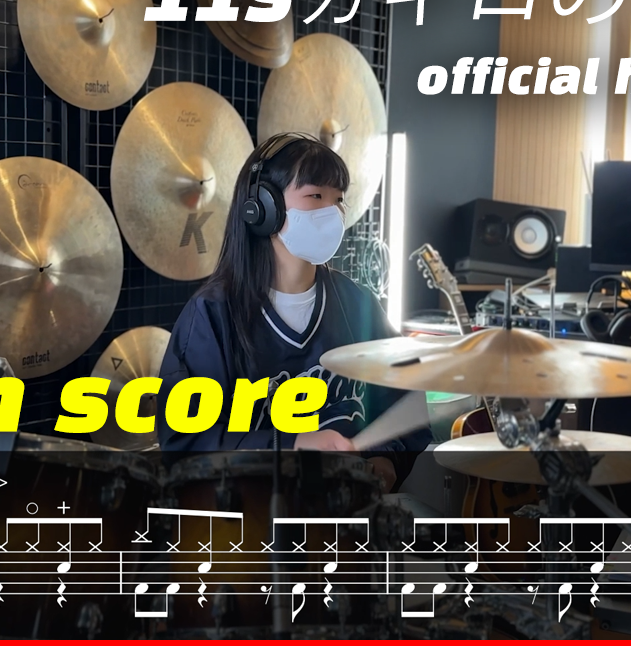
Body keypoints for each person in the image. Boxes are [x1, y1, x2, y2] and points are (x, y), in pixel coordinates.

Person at [155, 133, 429, 492]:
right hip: (252, 514)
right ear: (263, 209)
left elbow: (406, 400)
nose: (332, 213)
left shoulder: (358, 304)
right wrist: (291, 445)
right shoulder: (211, 315)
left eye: (338, 200)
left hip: (346, 511)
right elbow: (185, 441)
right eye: (316, 196)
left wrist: (387, 457)